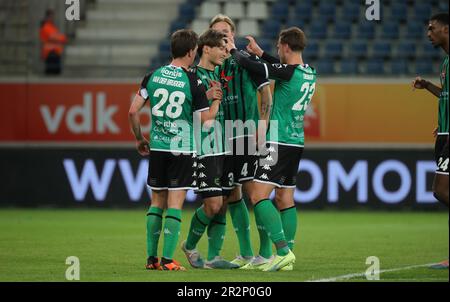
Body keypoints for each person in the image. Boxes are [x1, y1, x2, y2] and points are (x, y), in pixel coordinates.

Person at [128, 29, 221, 271]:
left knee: (156, 202)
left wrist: (140, 138)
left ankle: (151, 259)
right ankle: (168, 260)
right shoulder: (193, 81)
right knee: (175, 204)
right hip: (181, 148)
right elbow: (205, 120)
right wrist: (216, 99)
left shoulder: (153, 76)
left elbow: (132, 111)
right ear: (191, 52)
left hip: (157, 147)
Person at [226, 27, 317, 271]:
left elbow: (255, 68)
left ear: (286, 46)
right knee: (284, 197)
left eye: (278, 46)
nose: (278, 49)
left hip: (278, 140)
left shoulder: (287, 72)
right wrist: (262, 53)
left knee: (257, 196)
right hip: (296, 141)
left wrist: (234, 49)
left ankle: (283, 251)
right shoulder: (309, 72)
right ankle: (286, 258)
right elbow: (281, 68)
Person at [209, 14, 274, 268]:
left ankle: (266, 252)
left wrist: (263, 125)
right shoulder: (213, 65)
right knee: (231, 195)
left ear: (233, 35)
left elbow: (266, 92)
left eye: (226, 31)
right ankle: (247, 253)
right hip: (222, 136)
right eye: (217, 33)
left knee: (254, 192)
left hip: (247, 132)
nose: (222, 36)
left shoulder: (246, 60)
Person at [181, 29, 239, 269]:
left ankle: (214, 257)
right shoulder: (192, 76)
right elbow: (186, 113)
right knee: (213, 204)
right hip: (205, 147)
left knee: (222, 203)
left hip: (223, 145)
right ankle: (190, 245)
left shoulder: (219, 73)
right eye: (221, 48)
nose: (224, 53)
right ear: (206, 48)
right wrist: (206, 97)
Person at [412, 13, 449, 270]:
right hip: (445, 133)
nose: (428, 33)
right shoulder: (446, 62)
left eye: (432, 28)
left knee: (441, 190)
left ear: (446, 29)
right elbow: (445, 96)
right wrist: (428, 86)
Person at [39, 9, 67, 75]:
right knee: (51, 72)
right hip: (49, 53)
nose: (52, 18)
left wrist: (61, 38)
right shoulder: (45, 27)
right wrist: (62, 38)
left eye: (53, 16)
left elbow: (57, 36)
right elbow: (52, 37)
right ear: (47, 17)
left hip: (55, 52)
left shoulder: (52, 26)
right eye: (51, 16)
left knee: (55, 72)